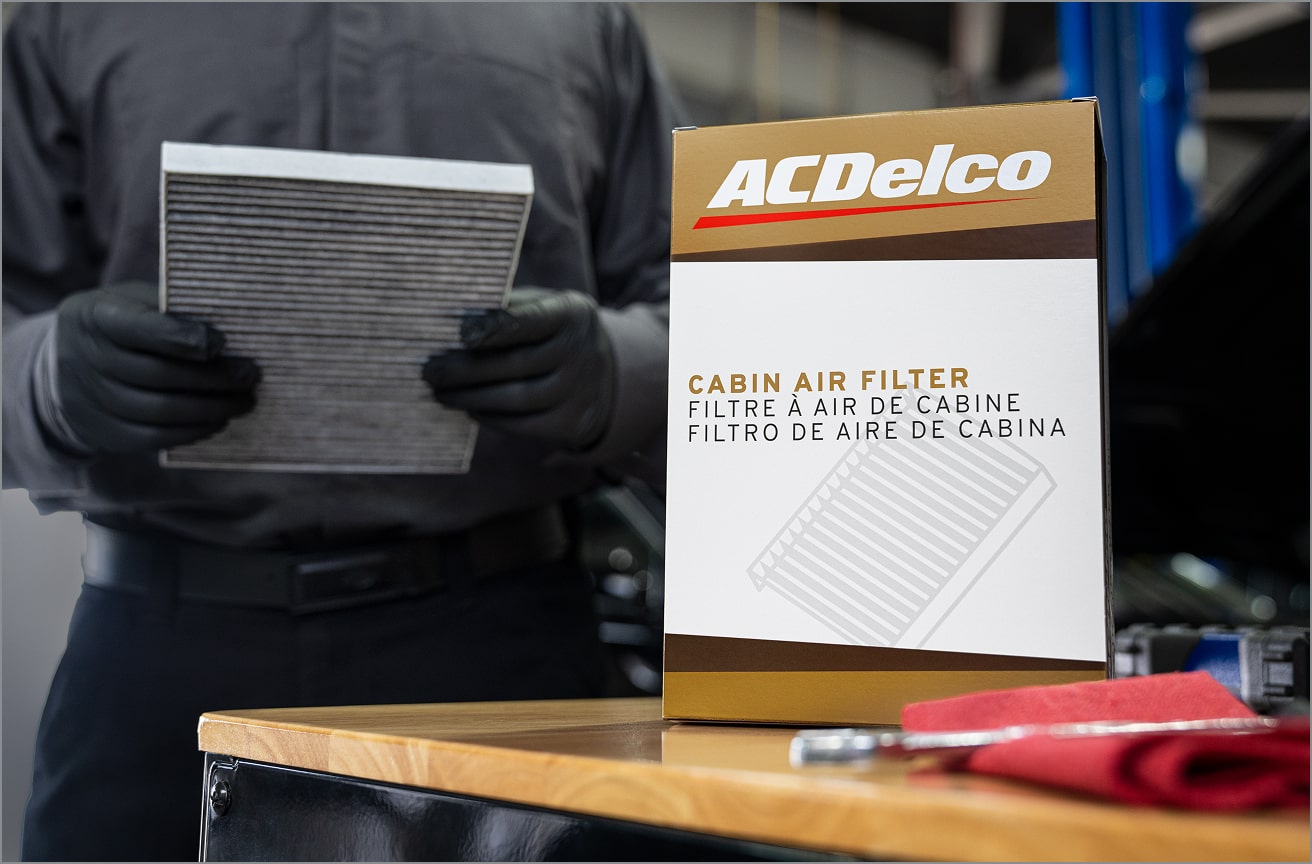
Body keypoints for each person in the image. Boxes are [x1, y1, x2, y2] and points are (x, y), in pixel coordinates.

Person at [1, 3, 679, 860]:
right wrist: (46, 372)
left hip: (501, 655)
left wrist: (620, 371)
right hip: (158, 662)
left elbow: (709, 303)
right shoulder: (75, 18)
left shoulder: (585, 22)